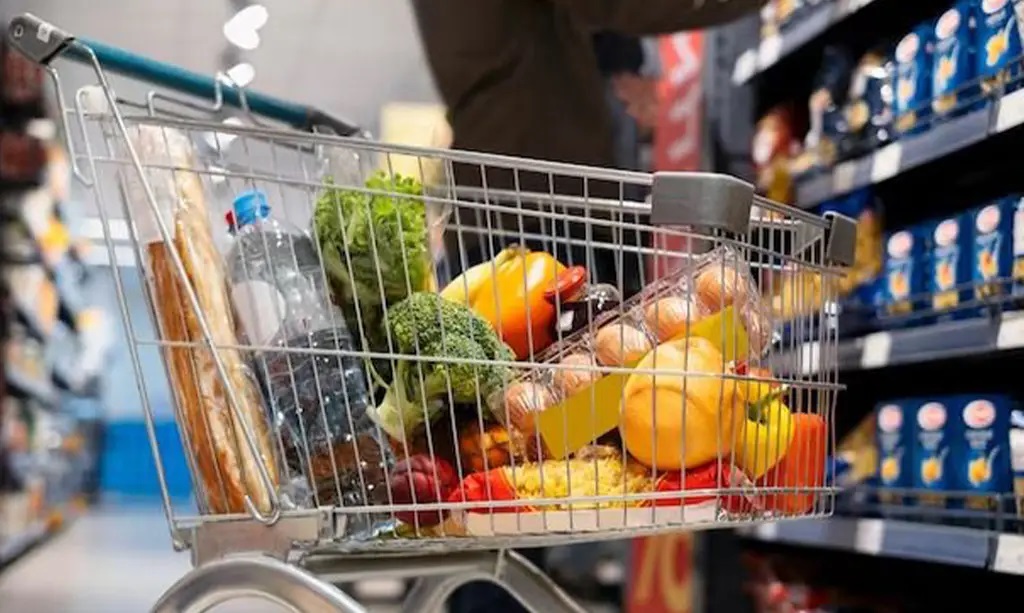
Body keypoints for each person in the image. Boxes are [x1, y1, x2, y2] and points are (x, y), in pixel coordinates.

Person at [409, 2, 767, 611]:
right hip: (540, 221)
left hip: (503, 207)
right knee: (530, 469)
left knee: (510, 471)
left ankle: (499, 593)